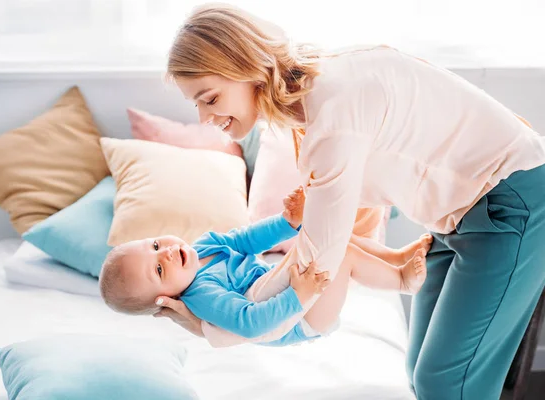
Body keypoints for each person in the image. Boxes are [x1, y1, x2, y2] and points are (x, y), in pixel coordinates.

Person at [156, 4, 545, 399]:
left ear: (247, 67)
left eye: (210, 98)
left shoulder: (332, 112)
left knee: (445, 383)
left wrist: (212, 325)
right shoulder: (310, 103)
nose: (205, 117)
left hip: (510, 202)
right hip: (458, 216)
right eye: (197, 104)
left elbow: (317, 264)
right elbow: (325, 238)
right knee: (421, 375)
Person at [100, 187, 430, 346]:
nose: (167, 253)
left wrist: (288, 222)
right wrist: (298, 297)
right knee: (339, 253)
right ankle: (401, 280)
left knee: (336, 238)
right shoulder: (201, 294)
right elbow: (251, 323)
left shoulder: (202, 247)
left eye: (156, 245)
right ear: (165, 299)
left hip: (286, 292)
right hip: (297, 320)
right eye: (158, 270)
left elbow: (245, 240)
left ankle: (396, 257)